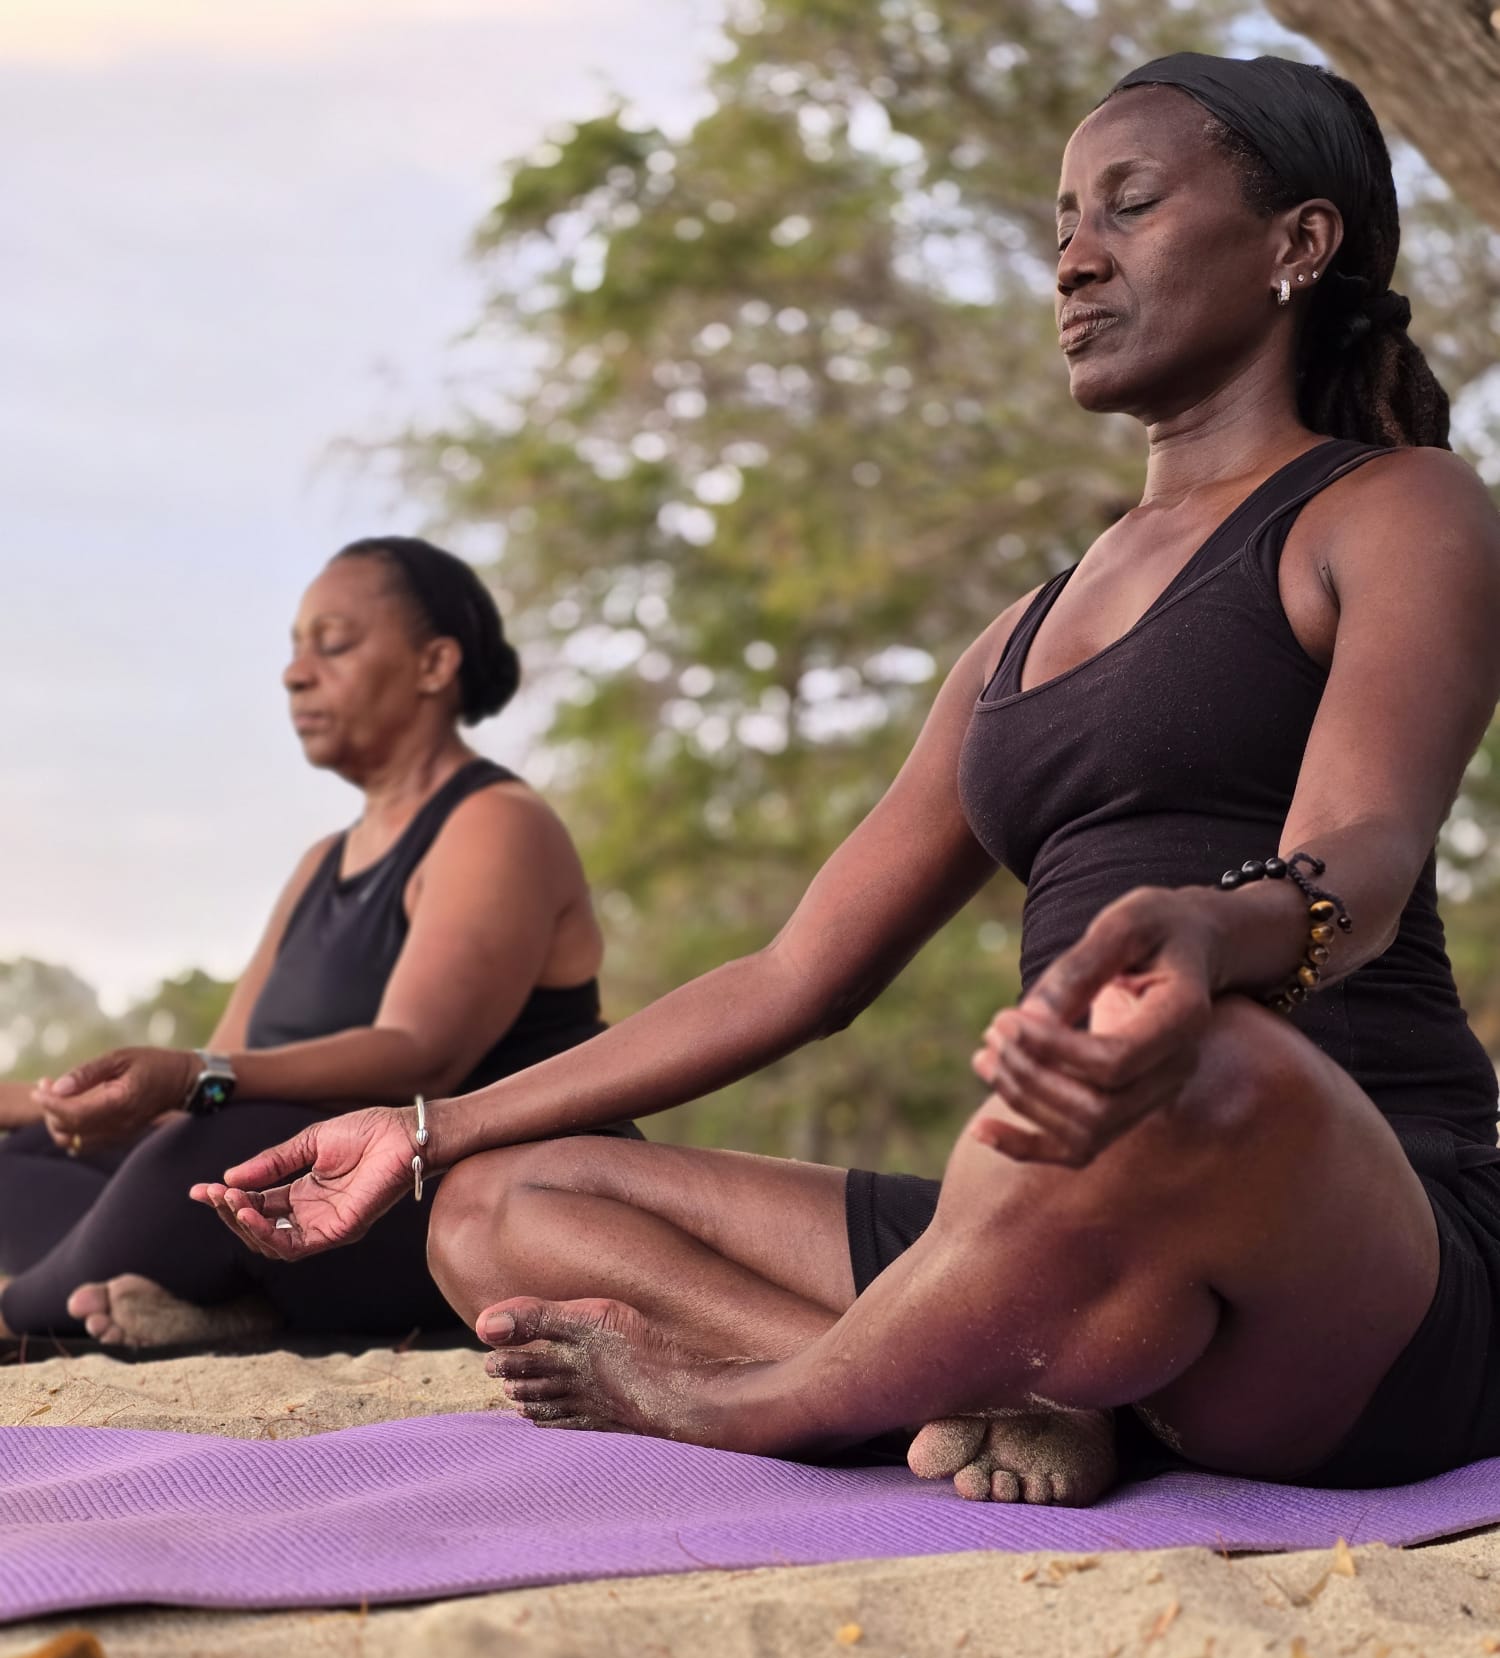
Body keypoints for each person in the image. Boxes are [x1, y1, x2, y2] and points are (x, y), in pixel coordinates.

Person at [192, 53, 1500, 1505]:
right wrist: (425, 1129)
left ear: (1296, 247)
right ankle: (1003, 1376)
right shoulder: (1016, 640)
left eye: (1128, 208)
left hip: (1346, 1241)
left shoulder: (1392, 509)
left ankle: (772, 1401)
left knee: (1203, 1059)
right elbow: (793, 975)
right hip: (1054, 1213)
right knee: (502, 1208)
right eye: (1061, 222)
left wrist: (1207, 933)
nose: (1074, 261)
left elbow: (1364, 858)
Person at [0, 536, 618, 1352]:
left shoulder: (497, 825)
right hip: (270, 1174)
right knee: (45, 1153)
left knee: (211, 1151)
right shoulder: (320, 864)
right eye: (294, 650)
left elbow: (420, 1055)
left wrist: (196, 1084)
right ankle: (223, 1300)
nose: (296, 674)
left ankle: (34, 1308)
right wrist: (68, 1104)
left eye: (333, 645)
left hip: (438, 1200)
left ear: (435, 665)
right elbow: (212, 1071)